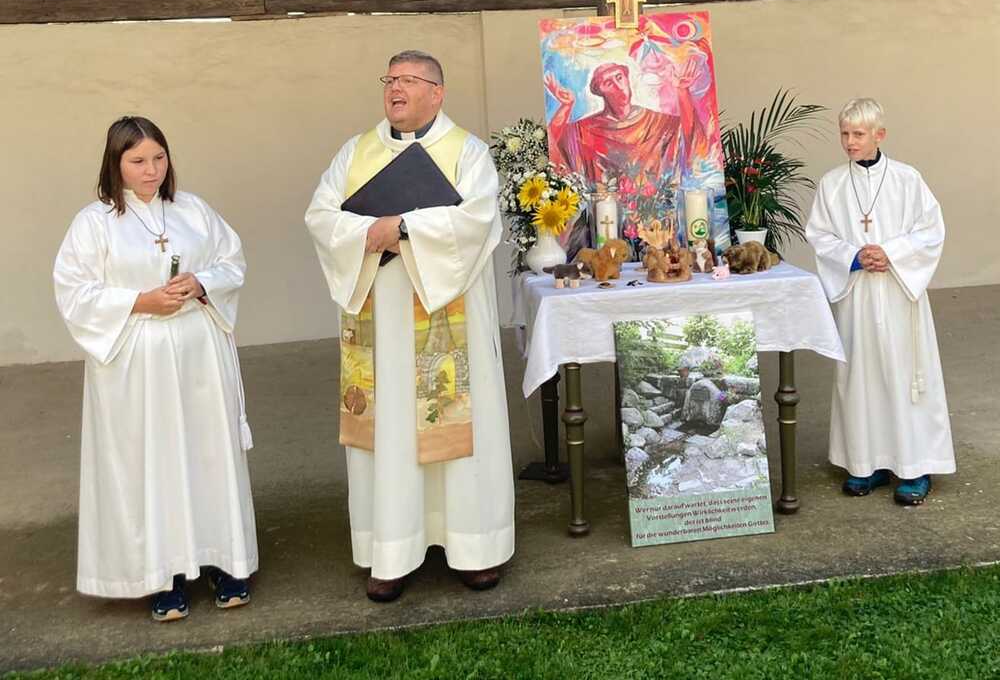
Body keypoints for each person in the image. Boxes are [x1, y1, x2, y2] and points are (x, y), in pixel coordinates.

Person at [305, 50, 514, 602]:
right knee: (390, 428)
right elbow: (321, 216)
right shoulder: (355, 151)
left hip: (446, 314)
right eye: (390, 79)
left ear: (436, 92)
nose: (395, 89)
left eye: (409, 80)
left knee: (457, 419)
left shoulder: (468, 152)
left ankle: (474, 547)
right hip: (379, 317)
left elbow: (477, 220)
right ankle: (392, 551)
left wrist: (403, 228)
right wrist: (369, 234)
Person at [53, 116, 258, 621]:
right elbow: (74, 292)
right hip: (136, 361)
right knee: (153, 460)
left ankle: (223, 560)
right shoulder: (95, 222)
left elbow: (233, 261)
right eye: (138, 161)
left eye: (159, 158)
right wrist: (140, 301)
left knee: (208, 454)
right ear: (115, 164)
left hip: (199, 354)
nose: (151, 170)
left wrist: (202, 283)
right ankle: (163, 574)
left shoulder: (193, 210)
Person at [805, 98, 955, 505]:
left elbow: (931, 231)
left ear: (879, 135)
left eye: (858, 134)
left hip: (897, 292)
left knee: (904, 375)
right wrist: (854, 256)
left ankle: (913, 467)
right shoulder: (832, 183)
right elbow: (819, 235)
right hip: (857, 294)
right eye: (844, 134)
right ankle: (864, 462)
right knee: (861, 376)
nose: (850, 142)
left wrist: (890, 252)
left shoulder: (907, 179)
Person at [544, 58, 709, 189]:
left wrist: (682, 91)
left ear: (627, 79)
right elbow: (553, 145)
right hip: (601, 214)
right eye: (608, 83)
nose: (618, 86)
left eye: (619, 77)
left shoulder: (657, 122)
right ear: (600, 92)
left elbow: (691, 135)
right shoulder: (584, 130)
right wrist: (566, 107)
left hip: (654, 215)